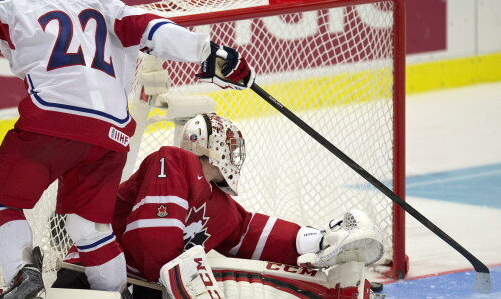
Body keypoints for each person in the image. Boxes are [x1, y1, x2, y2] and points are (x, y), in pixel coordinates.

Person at [0, 0, 254, 298]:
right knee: (89, 226)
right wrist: (210, 53)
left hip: (52, 121)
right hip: (113, 132)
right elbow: (155, 29)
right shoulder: (104, 3)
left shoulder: (14, 7)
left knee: (0, 203)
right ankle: (115, 293)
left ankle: (23, 277)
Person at [57, 113, 385, 298]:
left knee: (249, 279)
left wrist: (315, 241)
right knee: (226, 281)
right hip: (88, 281)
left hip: (145, 288)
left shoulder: (219, 205)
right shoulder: (170, 161)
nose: (235, 157)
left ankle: (335, 286)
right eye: (231, 148)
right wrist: (187, 284)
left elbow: (249, 232)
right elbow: (150, 241)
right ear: (214, 148)